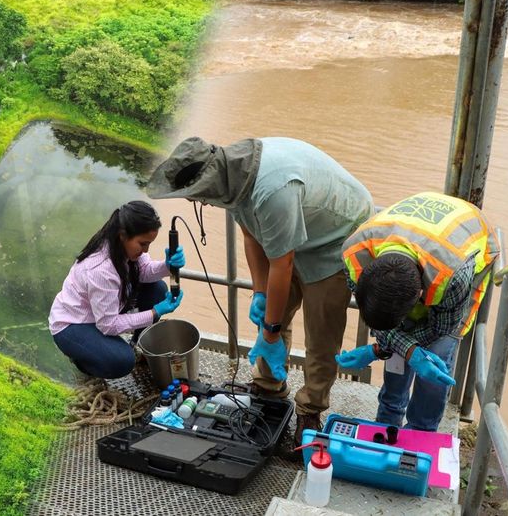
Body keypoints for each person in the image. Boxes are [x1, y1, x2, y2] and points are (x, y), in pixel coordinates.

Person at [148, 136, 374, 446]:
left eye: (195, 196)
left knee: (321, 334)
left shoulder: (271, 190)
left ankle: (310, 408)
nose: (195, 201)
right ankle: (268, 386)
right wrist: (259, 292)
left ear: (208, 184)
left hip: (335, 237)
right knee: (270, 312)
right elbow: (251, 236)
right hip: (293, 232)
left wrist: (271, 331)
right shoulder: (232, 179)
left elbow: (283, 264)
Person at [336, 192, 499, 431]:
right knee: (398, 351)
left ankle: (422, 429)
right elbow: (382, 320)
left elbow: (440, 328)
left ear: (420, 297)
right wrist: (387, 348)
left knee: (435, 360)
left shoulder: (453, 275)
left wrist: (396, 348)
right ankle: (388, 420)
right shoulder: (355, 254)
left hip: (465, 240)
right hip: (417, 233)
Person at [49, 200, 186, 379]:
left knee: (157, 289)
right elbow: (108, 325)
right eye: (143, 244)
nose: (146, 250)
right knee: (122, 361)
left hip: (101, 313)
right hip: (74, 324)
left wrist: (167, 266)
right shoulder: (101, 270)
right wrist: (154, 313)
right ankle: (83, 360)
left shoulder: (123, 246)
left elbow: (144, 271)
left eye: (149, 244)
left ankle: (137, 343)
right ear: (123, 235)